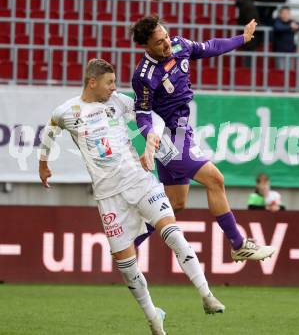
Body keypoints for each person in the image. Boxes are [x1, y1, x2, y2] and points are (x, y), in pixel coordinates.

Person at [38, 58, 225, 335]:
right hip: (108, 196)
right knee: (126, 266)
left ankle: (207, 295)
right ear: (92, 83)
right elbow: (51, 129)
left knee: (172, 232)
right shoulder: (67, 111)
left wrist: (152, 140)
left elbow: (155, 119)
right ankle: (154, 318)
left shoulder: (119, 103)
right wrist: (43, 163)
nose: (114, 88)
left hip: (139, 181)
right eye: (109, 83)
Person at [130, 15, 275, 263]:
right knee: (215, 180)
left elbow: (210, 47)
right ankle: (239, 244)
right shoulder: (143, 75)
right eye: (159, 42)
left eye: (166, 36)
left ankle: (127, 243)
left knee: (175, 203)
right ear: (146, 46)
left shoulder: (179, 46)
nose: (166, 44)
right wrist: (149, 136)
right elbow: (142, 114)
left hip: (183, 132)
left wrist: (242, 38)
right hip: (170, 138)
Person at [236, 0, 260, 67]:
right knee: (249, 61)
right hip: (250, 35)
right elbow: (252, 21)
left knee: (248, 59)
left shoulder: (245, 3)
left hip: (247, 35)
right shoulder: (248, 5)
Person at [273, 6, 299, 70]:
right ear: (280, 14)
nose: (285, 15)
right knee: (280, 71)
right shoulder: (277, 21)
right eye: (284, 13)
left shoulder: (291, 22)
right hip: (279, 52)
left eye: (287, 13)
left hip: (290, 51)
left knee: (290, 71)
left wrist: (295, 26)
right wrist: (290, 27)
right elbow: (278, 27)